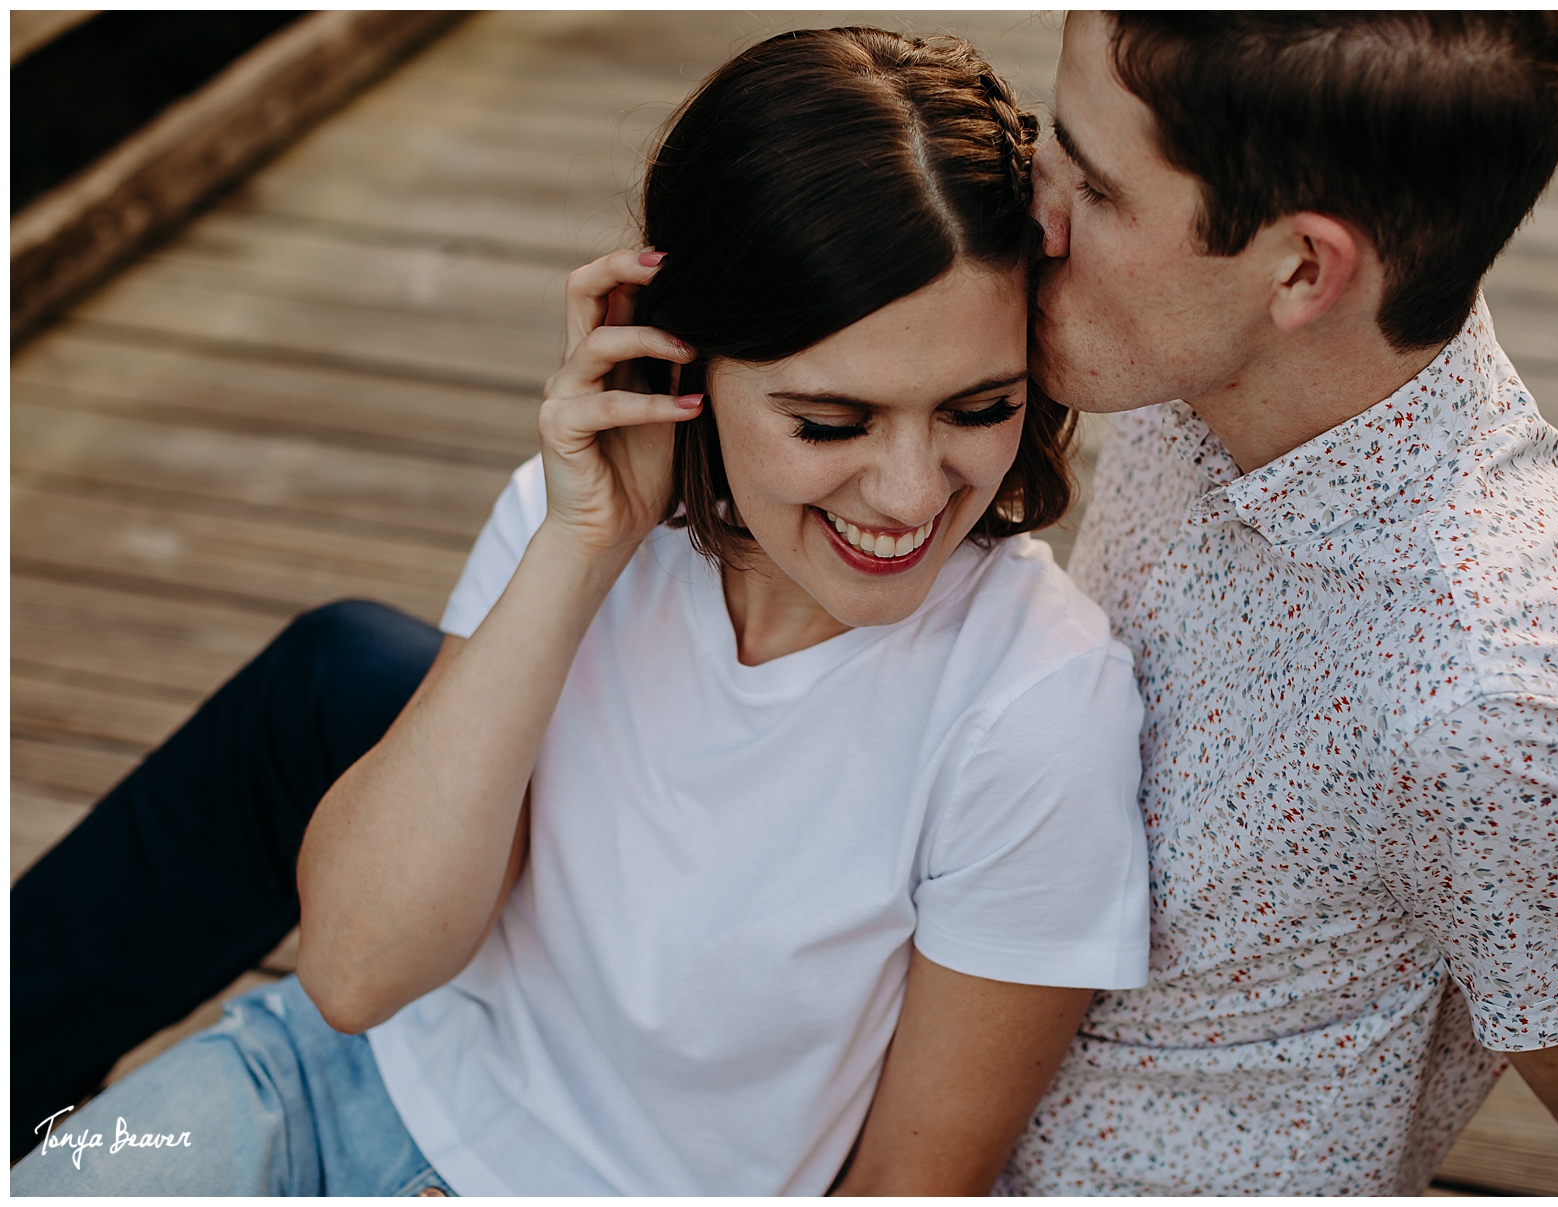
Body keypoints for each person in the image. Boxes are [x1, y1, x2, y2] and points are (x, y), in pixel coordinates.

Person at [10, 28, 1152, 1195]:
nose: (911, 493)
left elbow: (910, 1186)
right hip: (323, 1088)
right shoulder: (581, 526)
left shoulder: (1035, 712)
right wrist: (576, 549)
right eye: (830, 422)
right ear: (683, 367)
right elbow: (358, 971)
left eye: (977, 406)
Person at [994, 10, 1558, 1195]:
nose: (1033, 210)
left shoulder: (1503, 707)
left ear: (1306, 269)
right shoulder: (1199, 347)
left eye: (1096, 188)